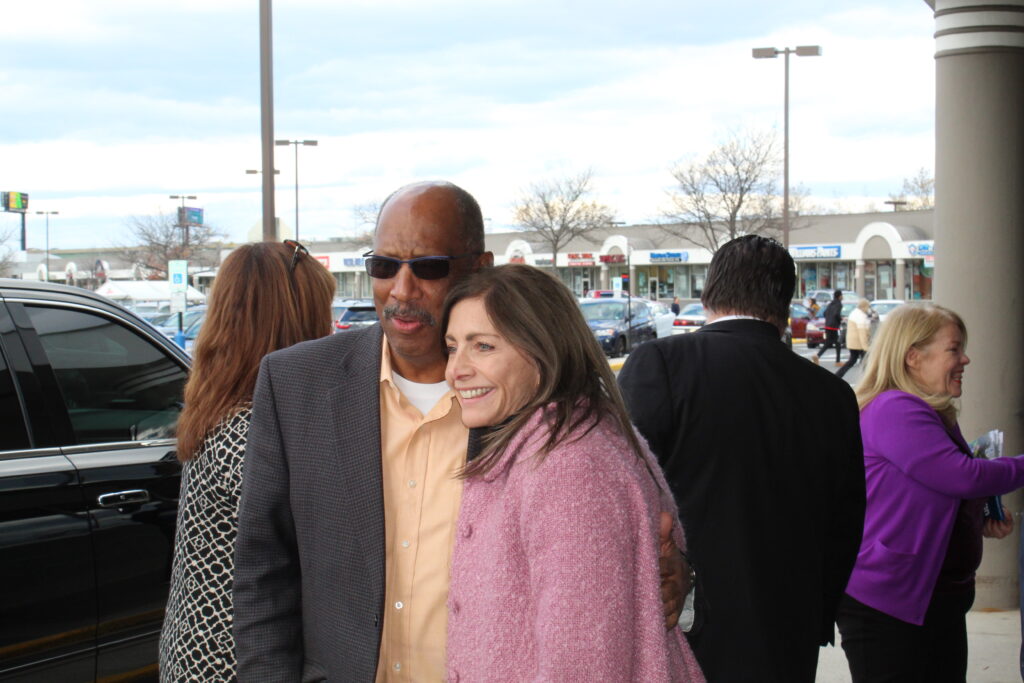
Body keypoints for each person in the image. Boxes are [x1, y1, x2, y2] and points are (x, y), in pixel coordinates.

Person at [232, 181, 689, 681]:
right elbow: (262, 571)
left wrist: (663, 575)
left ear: (479, 267)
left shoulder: (546, 418)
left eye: (428, 267)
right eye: (383, 267)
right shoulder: (295, 384)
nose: (401, 290)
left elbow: (627, 541)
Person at [618, 234, 866, 682]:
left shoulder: (662, 364)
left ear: (709, 293)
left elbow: (623, 491)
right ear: (785, 305)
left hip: (686, 632)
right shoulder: (832, 394)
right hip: (788, 633)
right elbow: (846, 522)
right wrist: (816, 613)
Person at [441, 264, 704, 681]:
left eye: (483, 347)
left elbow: (583, 663)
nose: (455, 370)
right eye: (453, 347)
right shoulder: (557, 440)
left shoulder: (568, 467)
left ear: (544, 351)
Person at [158, 240, 337, 682]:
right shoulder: (252, 429)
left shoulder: (221, 406)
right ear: (296, 322)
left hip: (196, 652)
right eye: (322, 312)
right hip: (235, 663)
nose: (331, 328)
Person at [836, 304, 1024, 683]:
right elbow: (964, 477)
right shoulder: (895, 407)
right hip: (890, 603)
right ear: (912, 357)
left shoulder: (922, 409)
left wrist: (975, 521)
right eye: (954, 349)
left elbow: (934, 487)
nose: (965, 359)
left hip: (926, 599)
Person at [836, 298, 872, 380]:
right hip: (858, 344)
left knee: (853, 361)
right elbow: (862, 333)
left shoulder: (854, 313)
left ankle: (838, 376)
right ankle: (869, 380)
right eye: (868, 306)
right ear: (864, 306)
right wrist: (866, 347)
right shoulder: (861, 316)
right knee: (865, 362)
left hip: (853, 343)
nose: (868, 309)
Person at [814, 289, 844, 366]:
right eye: (841, 295)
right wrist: (840, 320)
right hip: (834, 327)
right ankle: (837, 361)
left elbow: (824, 313)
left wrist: (829, 319)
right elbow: (836, 314)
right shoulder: (839, 304)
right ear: (839, 296)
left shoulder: (830, 303)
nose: (842, 297)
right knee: (837, 343)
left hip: (828, 325)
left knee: (829, 343)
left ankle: (817, 356)